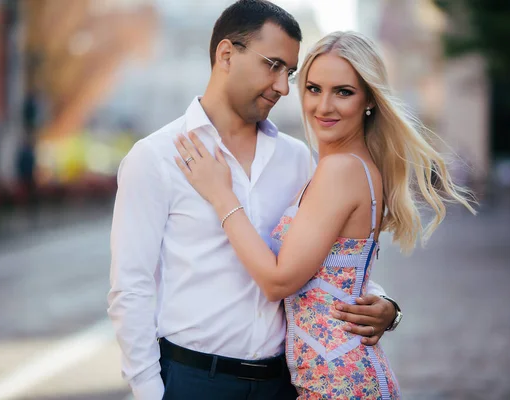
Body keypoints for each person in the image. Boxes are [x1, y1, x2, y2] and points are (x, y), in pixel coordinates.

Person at [107, 2, 400, 399]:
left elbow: (319, 257)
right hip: (195, 380)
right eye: (273, 65)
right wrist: (148, 391)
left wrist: (384, 305)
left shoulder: (297, 158)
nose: (283, 87)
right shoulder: (155, 157)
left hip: (284, 384)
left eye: (290, 73)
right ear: (226, 54)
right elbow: (131, 288)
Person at [173, 30, 476, 398]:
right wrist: (389, 309)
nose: (323, 106)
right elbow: (339, 274)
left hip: (338, 382)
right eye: (314, 89)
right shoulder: (346, 167)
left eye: (343, 92)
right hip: (333, 376)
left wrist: (222, 196)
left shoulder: (341, 171)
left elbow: (278, 282)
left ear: (369, 100)